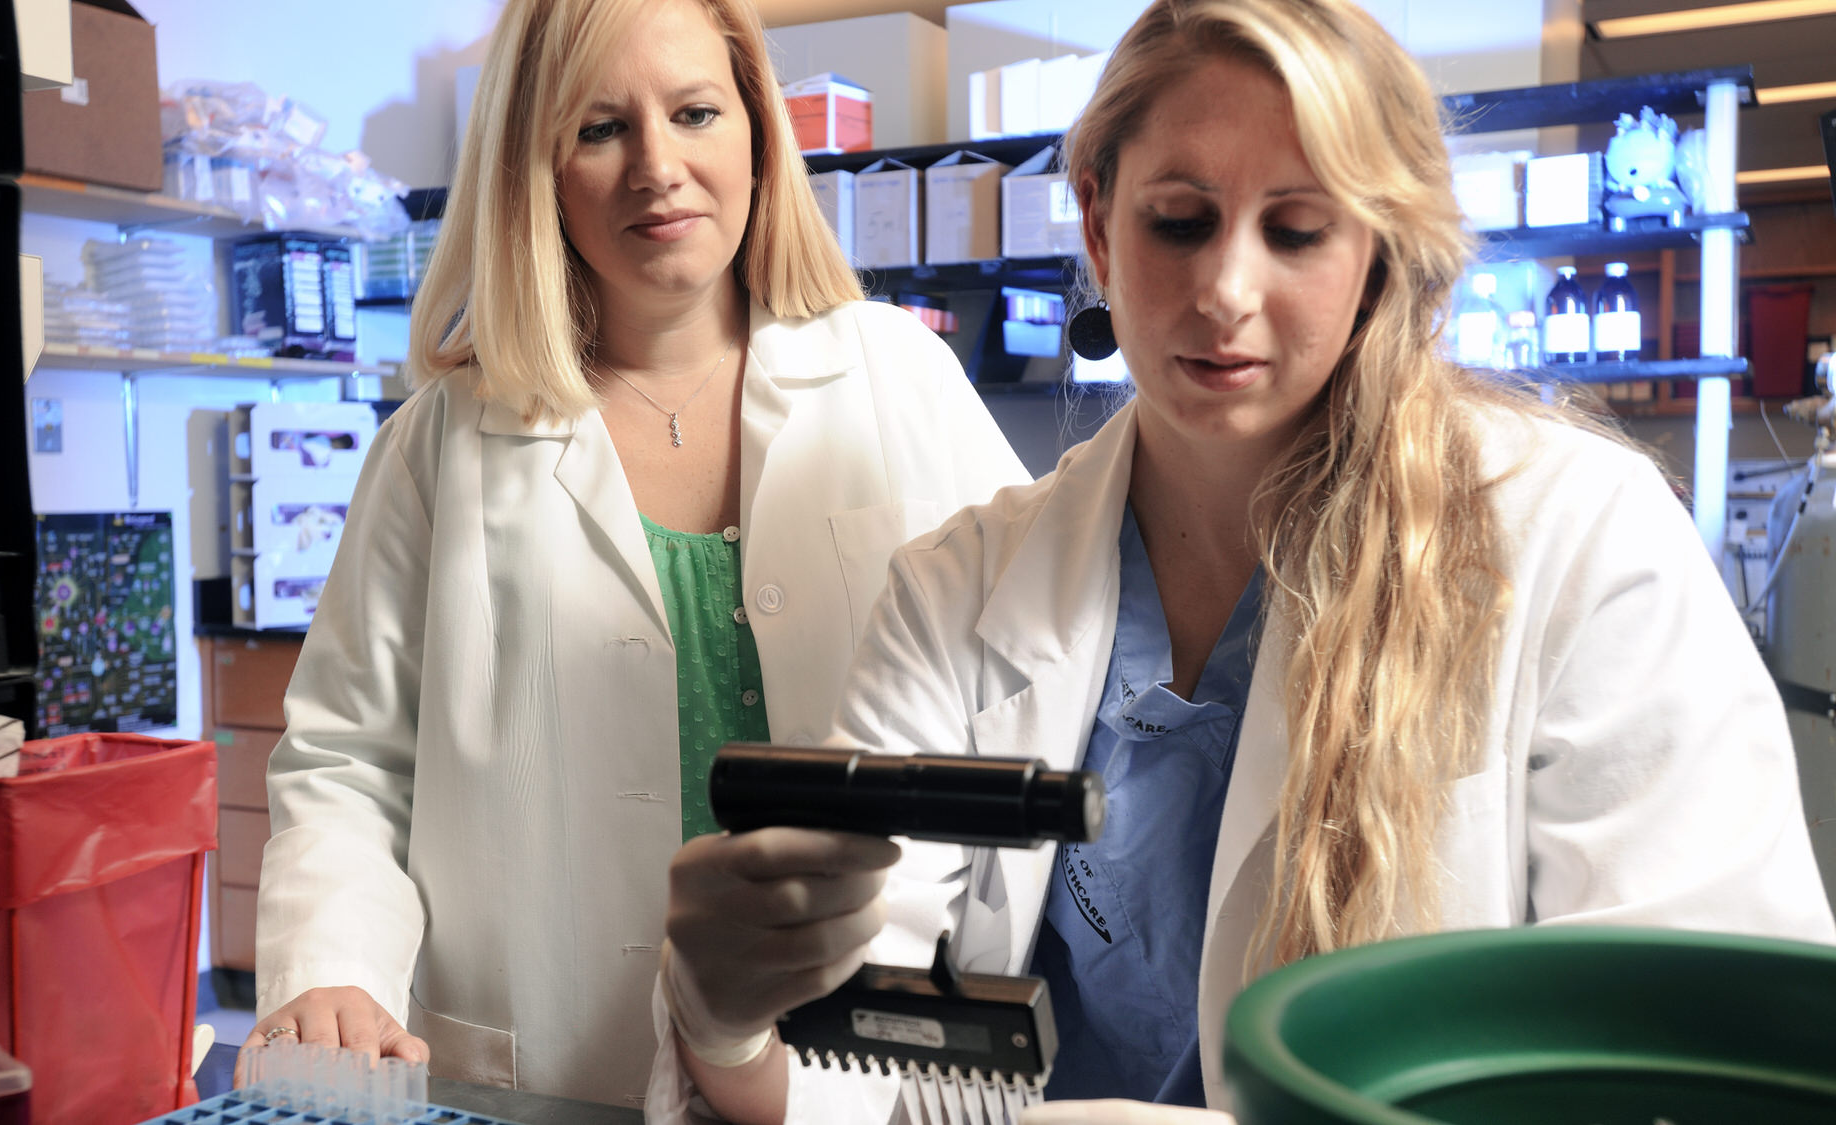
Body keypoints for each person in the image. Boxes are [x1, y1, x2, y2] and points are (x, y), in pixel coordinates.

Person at [650, 1, 1836, 1122]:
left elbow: (1695, 1059)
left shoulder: (1578, 540)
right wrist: (734, 1027)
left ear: (1378, 250)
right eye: (1179, 221)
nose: (1224, 291)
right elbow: (854, 1065)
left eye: (1296, 228)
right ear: (1098, 219)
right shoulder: (956, 587)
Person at [246, 0, 1028, 1106]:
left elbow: (1026, 686)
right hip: (547, 1070)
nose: (657, 167)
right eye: (598, 130)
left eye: (696, 112)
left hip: (849, 1071)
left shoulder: (896, 379)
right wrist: (332, 974)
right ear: (534, 169)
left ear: (757, 128)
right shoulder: (440, 446)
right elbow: (348, 766)